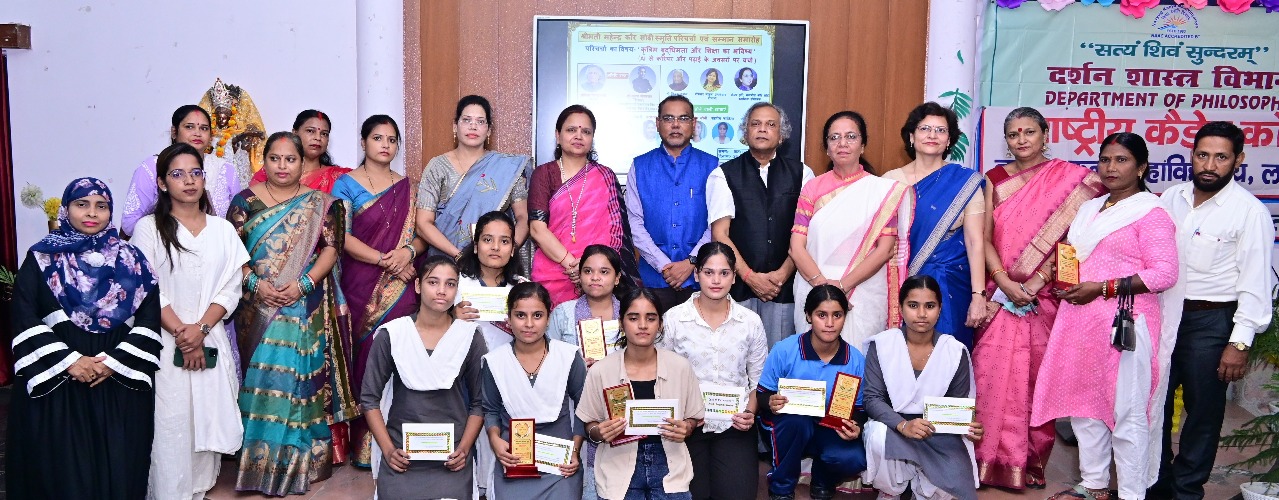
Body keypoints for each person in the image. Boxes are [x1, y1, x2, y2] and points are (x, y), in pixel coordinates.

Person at [1026, 133, 1180, 500]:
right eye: (1105, 159)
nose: (1111, 167)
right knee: (1084, 407)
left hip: (1125, 325)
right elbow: (1074, 257)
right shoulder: (1090, 210)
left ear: (1141, 168)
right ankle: (1094, 484)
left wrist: (1102, 288)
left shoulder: (1151, 213)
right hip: (1081, 322)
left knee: (1128, 412)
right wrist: (1065, 281)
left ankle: (1131, 492)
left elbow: (1164, 274)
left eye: (1121, 160)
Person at [974, 106, 1105, 490]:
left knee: (1035, 383)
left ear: (1045, 135)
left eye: (1029, 132)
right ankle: (985, 462)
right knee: (989, 379)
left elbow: (1075, 243)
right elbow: (983, 238)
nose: (1021, 140)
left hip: (1043, 299)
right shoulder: (995, 180)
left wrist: (1036, 281)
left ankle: (1028, 463)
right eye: (1013, 134)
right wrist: (1003, 280)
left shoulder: (1075, 182)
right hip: (1000, 297)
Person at [6, 177, 161, 498]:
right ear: (66, 209)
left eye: (101, 206)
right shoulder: (41, 258)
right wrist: (70, 362)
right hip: (59, 384)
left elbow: (149, 319)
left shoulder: (132, 260)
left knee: (118, 466)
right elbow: (23, 314)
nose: (92, 213)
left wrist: (112, 364)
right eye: (82, 204)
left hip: (116, 384)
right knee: (61, 471)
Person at [228, 132, 359, 495]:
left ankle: (301, 465)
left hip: (303, 304)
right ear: (264, 161)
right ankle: (257, 466)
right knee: (260, 379)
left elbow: (332, 248)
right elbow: (232, 252)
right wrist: (255, 284)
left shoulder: (322, 203)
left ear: (303, 164)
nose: (282, 166)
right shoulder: (244, 202)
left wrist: (304, 284)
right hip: (257, 308)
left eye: (290, 159)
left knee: (300, 380)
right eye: (274, 158)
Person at [1150, 121, 1274, 500]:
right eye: (1202, 155)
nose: (1209, 165)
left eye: (1221, 157)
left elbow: (1255, 284)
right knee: (1152, 407)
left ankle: (1187, 491)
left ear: (1239, 160)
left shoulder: (1249, 212)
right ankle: (1155, 486)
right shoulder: (1171, 198)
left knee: (1202, 415)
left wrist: (1239, 343)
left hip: (1211, 322)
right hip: (1162, 316)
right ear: (1191, 155)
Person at [132, 144, 249, 500]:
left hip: (209, 339)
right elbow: (146, 289)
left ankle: (198, 493)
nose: (189, 181)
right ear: (162, 183)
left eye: (195, 173)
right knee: (170, 426)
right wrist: (184, 335)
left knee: (205, 427)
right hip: (165, 345)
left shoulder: (222, 230)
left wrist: (200, 331)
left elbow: (231, 288)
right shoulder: (148, 229)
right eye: (178, 174)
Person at [332, 115, 428, 468]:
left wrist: (409, 253)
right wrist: (386, 260)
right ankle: (365, 443)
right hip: (361, 282)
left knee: (401, 354)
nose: (385, 145)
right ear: (363, 142)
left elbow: (422, 234)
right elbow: (340, 236)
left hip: (402, 285)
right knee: (365, 356)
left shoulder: (408, 187)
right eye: (378, 138)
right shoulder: (346, 184)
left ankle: (402, 437)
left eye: (391, 139)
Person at [361, 255, 487, 500]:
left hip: (452, 456)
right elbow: (369, 399)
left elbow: (480, 402)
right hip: (402, 455)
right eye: (433, 282)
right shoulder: (393, 334)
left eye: (450, 284)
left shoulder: (469, 336)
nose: (441, 291)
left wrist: (464, 449)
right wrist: (388, 450)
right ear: (418, 286)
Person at [790, 111, 913, 349]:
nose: (842, 143)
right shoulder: (812, 188)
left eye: (851, 136)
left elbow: (885, 249)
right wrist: (824, 287)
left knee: (858, 359)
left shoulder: (881, 192)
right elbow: (796, 247)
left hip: (863, 290)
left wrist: (843, 286)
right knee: (813, 359)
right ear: (827, 148)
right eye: (834, 137)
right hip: (813, 285)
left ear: (863, 145)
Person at [658, 242, 767, 500]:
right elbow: (661, 375)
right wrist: (681, 419)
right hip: (687, 426)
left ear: (734, 277)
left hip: (734, 426)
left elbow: (758, 380)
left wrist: (749, 413)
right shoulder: (674, 319)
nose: (716, 280)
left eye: (724, 273)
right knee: (691, 495)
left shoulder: (750, 322)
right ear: (696, 274)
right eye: (708, 272)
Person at [576, 288, 705, 500]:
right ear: (621, 323)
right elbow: (589, 424)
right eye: (633, 318)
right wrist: (599, 432)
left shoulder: (680, 367)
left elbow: (693, 417)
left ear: (660, 324)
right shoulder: (601, 370)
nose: (643, 325)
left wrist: (687, 428)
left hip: (670, 466)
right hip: (617, 466)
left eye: (651, 318)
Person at [862, 275, 983, 500]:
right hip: (893, 425)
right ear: (900, 308)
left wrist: (967, 426)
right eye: (913, 305)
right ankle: (891, 491)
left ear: (939, 309)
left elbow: (956, 405)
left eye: (929, 306)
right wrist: (903, 425)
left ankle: (921, 487)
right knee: (877, 435)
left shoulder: (954, 351)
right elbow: (872, 399)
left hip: (935, 431)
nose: (921, 314)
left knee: (946, 493)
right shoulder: (883, 344)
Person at [709, 102, 814, 346]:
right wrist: (749, 277)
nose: (762, 129)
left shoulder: (803, 174)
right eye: (755, 124)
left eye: (770, 124)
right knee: (738, 354)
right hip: (739, 286)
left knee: (779, 356)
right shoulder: (723, 174)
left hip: (784, 288)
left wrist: (782, 275)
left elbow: (807, 232)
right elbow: (720, 234)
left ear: (781, 134)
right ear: (745, 133)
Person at [884, 102, 986, 348]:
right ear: (911, 136)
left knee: (948, 354)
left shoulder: (965, 182)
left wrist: (978, 296)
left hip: (951, 284)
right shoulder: (890, 181)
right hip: (900, 284)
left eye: (940, 130)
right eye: (925, 129)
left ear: (949, 140)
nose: (932, 135)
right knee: (901, 356)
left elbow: (975, 242)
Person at [758, 285, 868, 500]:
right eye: (821, 315)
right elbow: (762, 394)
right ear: (808, 316)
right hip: (788, 426)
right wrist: (770, 401)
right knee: (796, 422)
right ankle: (781, 487)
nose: (830, 323)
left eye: (837, 315)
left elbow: (859, 409)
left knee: (854, 458)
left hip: (829, 427)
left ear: (845, 317)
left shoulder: (855, 359)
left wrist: (856, 425)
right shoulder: (785, 350)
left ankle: (822, 480)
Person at [482, 282, 588, 499]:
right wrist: (494, 440)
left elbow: (584, 407)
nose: (529, 324)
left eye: (537, 315)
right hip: (514, 462)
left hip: (561, 466)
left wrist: (575, 450)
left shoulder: (568, 356)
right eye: (520, 315)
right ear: (508, 318)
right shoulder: (495, 361)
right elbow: (490, 409)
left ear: (548, 318)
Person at [528, 105, 639, 306]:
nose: (578, 136)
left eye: (586, 132)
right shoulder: (544, 174)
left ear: (592, 138)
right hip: (552, 273)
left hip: (598, 277)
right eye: (571, 130)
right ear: (558, 135)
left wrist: (588, 267)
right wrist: (574, 265)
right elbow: (537, 229)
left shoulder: (605, 176)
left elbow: (616, 232)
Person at [453, 210, 527, 496]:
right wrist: (451, 317)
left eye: (504, 241)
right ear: (475, 245)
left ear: (513, 249)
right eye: (487, 240)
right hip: (462, 379)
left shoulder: (522, 288)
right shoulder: (456, 284)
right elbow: (428, 326)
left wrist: (521, 324)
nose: (495, 247)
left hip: (508, 379)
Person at [547, 244, 630, 499]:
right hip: (574, 411)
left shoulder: (631, 313)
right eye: (588, 271)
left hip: (620, 410)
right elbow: (547, 365)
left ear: (617, 278)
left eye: (604, 272)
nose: (595, 277)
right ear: (579, 276)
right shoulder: (563, 313)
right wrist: (575, 367)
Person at [627, 95, 721, 314]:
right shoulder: (640, 166)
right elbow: (634, 223)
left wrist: (692, 261)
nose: (676, 125)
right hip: (653, 279)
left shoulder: (713, 166)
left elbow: (716, 223)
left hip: (701, 279)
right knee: (654, 335)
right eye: (668, 118)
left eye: (683, 118)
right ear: (658, 123)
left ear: (694, 124)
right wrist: (663, 265)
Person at [416, 95, 531, 260]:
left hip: (493, 262)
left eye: (480, 121)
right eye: (466, 120)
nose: (473, 126)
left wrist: (507, 252)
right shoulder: (438, 166)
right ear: (455, 126)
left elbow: (523, 218)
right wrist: (459, 255)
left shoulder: (506, 167)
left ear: (489, 130)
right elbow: (423, 223)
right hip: (445, 263)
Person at [122, 104, 242, 236]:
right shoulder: (153, 167)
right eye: (189, 127)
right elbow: (129, 224)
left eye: (204, 128)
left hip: (216, 244)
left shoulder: (226, 169)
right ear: (174, 132)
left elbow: (237, 223)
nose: (197, 133)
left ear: (211, 136)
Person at [251, 110, 352, 193]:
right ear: (295, 133)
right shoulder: (270, 173)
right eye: (310, 131)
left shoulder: (340, 178)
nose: (318, 138)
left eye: (324, 134)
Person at [199, 78, 266, 183]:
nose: (221, 120)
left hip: (234, 175)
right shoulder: (208, 134)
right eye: (219, 116)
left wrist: (251, 134)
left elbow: (239, 140)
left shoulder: (239, 130)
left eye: (224, 117)